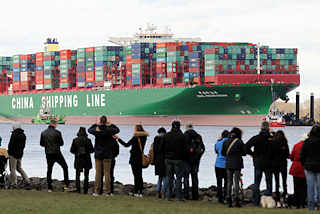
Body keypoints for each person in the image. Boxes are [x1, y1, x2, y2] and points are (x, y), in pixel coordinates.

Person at [88, 115, 120, 197]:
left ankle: (97, 191)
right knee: (107, 173)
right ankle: (108, 192)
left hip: (98, 154)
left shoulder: (97, 130)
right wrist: (110, 124)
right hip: (107, 154)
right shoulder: (110, 130)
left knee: (98, 173)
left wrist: (96, 124)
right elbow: (117, 130)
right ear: (106, 121)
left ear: (100, 121)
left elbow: (89, 130)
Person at [246, 121, 273, 206]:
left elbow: (246, 146)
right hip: (268, 163)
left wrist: (252, 155)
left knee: (257, 183)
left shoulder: (256, 138)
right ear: (268, 128)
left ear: (261, 128)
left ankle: (256, 202)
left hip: (258, 163)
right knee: (269, 182)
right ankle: (269, 201)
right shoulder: (271, 138)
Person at [117, 124, 149, 197]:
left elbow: (126, 145)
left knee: (136, 175)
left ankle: (136, 191)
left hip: (134, 159)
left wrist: (118, 139)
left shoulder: (135, 137)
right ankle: (140, 191)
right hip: (140, 158)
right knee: (140, 175)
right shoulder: (145, 137)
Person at [40, 119, 70, 192]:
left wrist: (48, 146)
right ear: (55, 124)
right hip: (57, 153)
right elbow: (61, 143)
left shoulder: (43, 133)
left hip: (48, 153)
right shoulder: (58, 133)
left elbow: (41, 144)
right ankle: (66, 185)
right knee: (65, 167)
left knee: (49, 169)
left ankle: (49, 187)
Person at [222, 127, 246, 208]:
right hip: (237, 164)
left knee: (229, 182)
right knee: (236, 182)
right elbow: (244, 152)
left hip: (228, 163)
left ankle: (228, 199)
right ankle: (236, 200)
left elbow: (223, 153)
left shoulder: (225, 141)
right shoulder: (239, 142)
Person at [163, 120, 186, 201]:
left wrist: (165, 156)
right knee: (179, 178)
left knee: (169, 178)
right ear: (179, 126)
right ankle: (178, 196)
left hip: (168, 159)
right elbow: (185, 149)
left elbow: (163, 147)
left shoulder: (166, 135)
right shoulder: (182, 136)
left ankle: (168, 196)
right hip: (179, 159)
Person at [300, 125, 320, 211]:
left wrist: (304, 164)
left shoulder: (307, 142)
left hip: (309, 167)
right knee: (319, 189)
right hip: (319, 167)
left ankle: (310, 207)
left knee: (310, 188)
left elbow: (302, 155)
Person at [183, 123, 205, 200]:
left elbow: (183, 148)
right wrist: (199, 157)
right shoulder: (198, 136)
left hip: (186, 160)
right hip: (196, 160)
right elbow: (203, 148)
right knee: (195, 177)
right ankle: (195, 196)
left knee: (186, 177)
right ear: (192, 127)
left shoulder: (184, 135)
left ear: (186, 127)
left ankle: (186, 195)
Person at [70, 127, 94, 194]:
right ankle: (85, 191)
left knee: (77, 175)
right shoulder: (88, 140)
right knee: (86, 176)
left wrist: (77, 152)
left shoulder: (75, 140)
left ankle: (78, 190)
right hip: (87, 159)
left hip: (78, 159)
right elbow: (92, 150)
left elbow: (71, 150)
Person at [270, 130, 289, 208]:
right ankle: (284, 200)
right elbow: (287, 154)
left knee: (277, 183)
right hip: (283, 164)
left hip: (275, 165)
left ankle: (277, 201)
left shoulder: (273, 143)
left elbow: (270, 154)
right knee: (284, 183)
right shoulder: (285, 143)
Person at [8, 122, 30, 188]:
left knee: (12, 169)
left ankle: (14, 183)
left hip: (13, 154)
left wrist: (9, 152)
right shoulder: (23, 135)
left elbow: (11, 145)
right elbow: (23, 146)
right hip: (20, 154)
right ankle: (27, 180)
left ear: (15, 127)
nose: (12, 128)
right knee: (19, 168)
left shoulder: (14, 134)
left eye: (13, 127)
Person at [289, 134, 307, 209]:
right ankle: (303, 203)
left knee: (296, 187)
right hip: (304, 168)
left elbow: (291, 156)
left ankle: (297, 204)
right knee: (304, 187)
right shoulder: (307, 146)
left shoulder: (296, 145)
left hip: (295, 168)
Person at [215, 130, 229, 204]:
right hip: (227, 164)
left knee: (219, 182)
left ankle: (220, 198)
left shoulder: (218, 142)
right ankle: (226, 197)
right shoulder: (230, 142)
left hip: (218, 164)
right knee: (227, 182)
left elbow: (216, 151)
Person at [152, 127, 167, 199]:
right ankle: (163, 192)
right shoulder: (165, 139)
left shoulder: (156, 139)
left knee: (160, 177)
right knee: (165, 177)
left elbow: (154, 150)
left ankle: (157, 193)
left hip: (157, 160)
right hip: (164, 160)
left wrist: (154, 161)